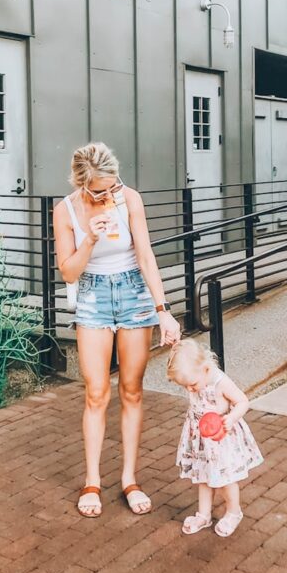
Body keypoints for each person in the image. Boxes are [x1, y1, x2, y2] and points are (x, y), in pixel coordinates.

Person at [53, 142, 182, 518]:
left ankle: (129, 478)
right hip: (92, 295)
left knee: (132, 391)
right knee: (96, 393)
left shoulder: (130, 199)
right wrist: (90, 238)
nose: (109, 194)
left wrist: (164, 311)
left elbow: (145, 256)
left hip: (134, 294)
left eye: (113, 185)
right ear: (82, 183)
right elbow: (68, 272)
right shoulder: (65, 210)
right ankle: (92, 480)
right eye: (100, 190)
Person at [167, 339, 264, 537]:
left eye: (192, 385)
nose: (190, 390)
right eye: (185, 387)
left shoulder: (221, 383)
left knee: (226, 479)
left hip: (221, 438)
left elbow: (242, 401)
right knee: (203, 476)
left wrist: (232, 417)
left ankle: (234, 512)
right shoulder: (195, 378)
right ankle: (203, 514)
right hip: (202, 440)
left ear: (205, 368)